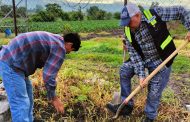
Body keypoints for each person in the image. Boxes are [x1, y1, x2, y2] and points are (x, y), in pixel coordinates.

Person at [106, 3, 190, 122]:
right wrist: (141, 75)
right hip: (143, 58)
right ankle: (127, 105)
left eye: (129, 22)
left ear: (137, 15)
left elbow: (180, 10)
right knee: (124, 69)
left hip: (161, 59)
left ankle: (149, 117)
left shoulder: (155, 14)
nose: (127, 26)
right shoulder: (127, 30)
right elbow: (135, 56)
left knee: (154, 91)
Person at [0, 31, 81, 122]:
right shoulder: (60, 48)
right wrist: (54, 98)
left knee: (29, 98)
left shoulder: (55, 39)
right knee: (21, 103)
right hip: (11, 63)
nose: (68, 53)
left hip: (17, 63)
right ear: (70, 44)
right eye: (70, 51)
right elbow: (48, 76)